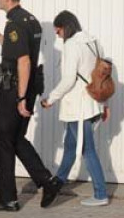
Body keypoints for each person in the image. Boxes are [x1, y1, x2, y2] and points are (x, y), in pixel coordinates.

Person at [0, 0, 61, 211]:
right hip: (27, 87)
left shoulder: (15, 23)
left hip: (14, 89)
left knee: (3, 140)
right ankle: (47, 181)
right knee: (16, 139)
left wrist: (19, 98)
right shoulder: (32, 20)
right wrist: (0, 38)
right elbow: (22, 51)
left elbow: (24, 61)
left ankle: (8, 199)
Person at [40, 11, 110, 207]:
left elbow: (69, 79)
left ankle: (100, 194)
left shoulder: (71, 45)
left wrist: (50, 99)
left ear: (65, 27)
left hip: (78, 106)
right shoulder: (93, 41)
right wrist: (104, 104)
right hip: (92, 103)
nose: (57, 35)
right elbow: (100, 76)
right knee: (71, 146)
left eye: (58, 30)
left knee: (87, 149)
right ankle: (58, 182)